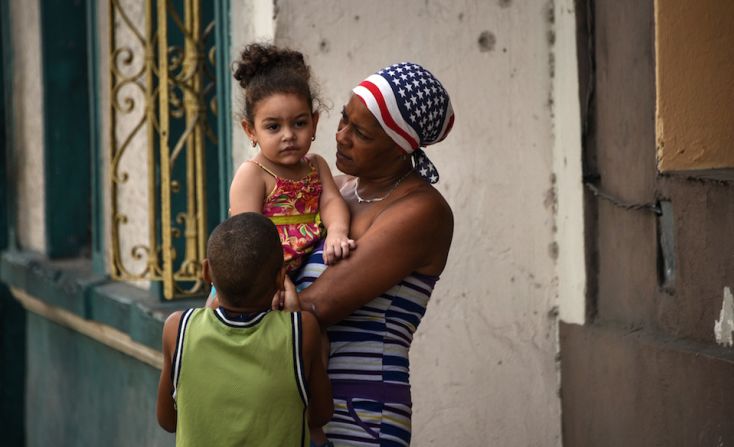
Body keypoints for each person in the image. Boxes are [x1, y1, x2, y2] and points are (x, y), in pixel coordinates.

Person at [291, 61, 455, 446]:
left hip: (361, 411)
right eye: (344, 119)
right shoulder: (338, 189)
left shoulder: (421, 211)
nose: (341, 136)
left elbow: (318, 306)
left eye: (361, 133)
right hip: (298, 399)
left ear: (401, 149)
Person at [156, 212, 333, 446]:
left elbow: (168, 421)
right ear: (281, 277)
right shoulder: (302, 330)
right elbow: (321, 415)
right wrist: (295, 318)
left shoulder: (177, 329)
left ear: (206, 272)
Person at [229, 43, 355, 272]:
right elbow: (248, 239)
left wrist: (337, 232)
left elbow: (331, 202)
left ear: (314, 122)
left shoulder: (316, 165)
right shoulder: (253, 175)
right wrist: (274, 279)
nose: (288, 135)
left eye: (299, 123)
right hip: (256, 277)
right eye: (273, 127)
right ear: (251, 131)